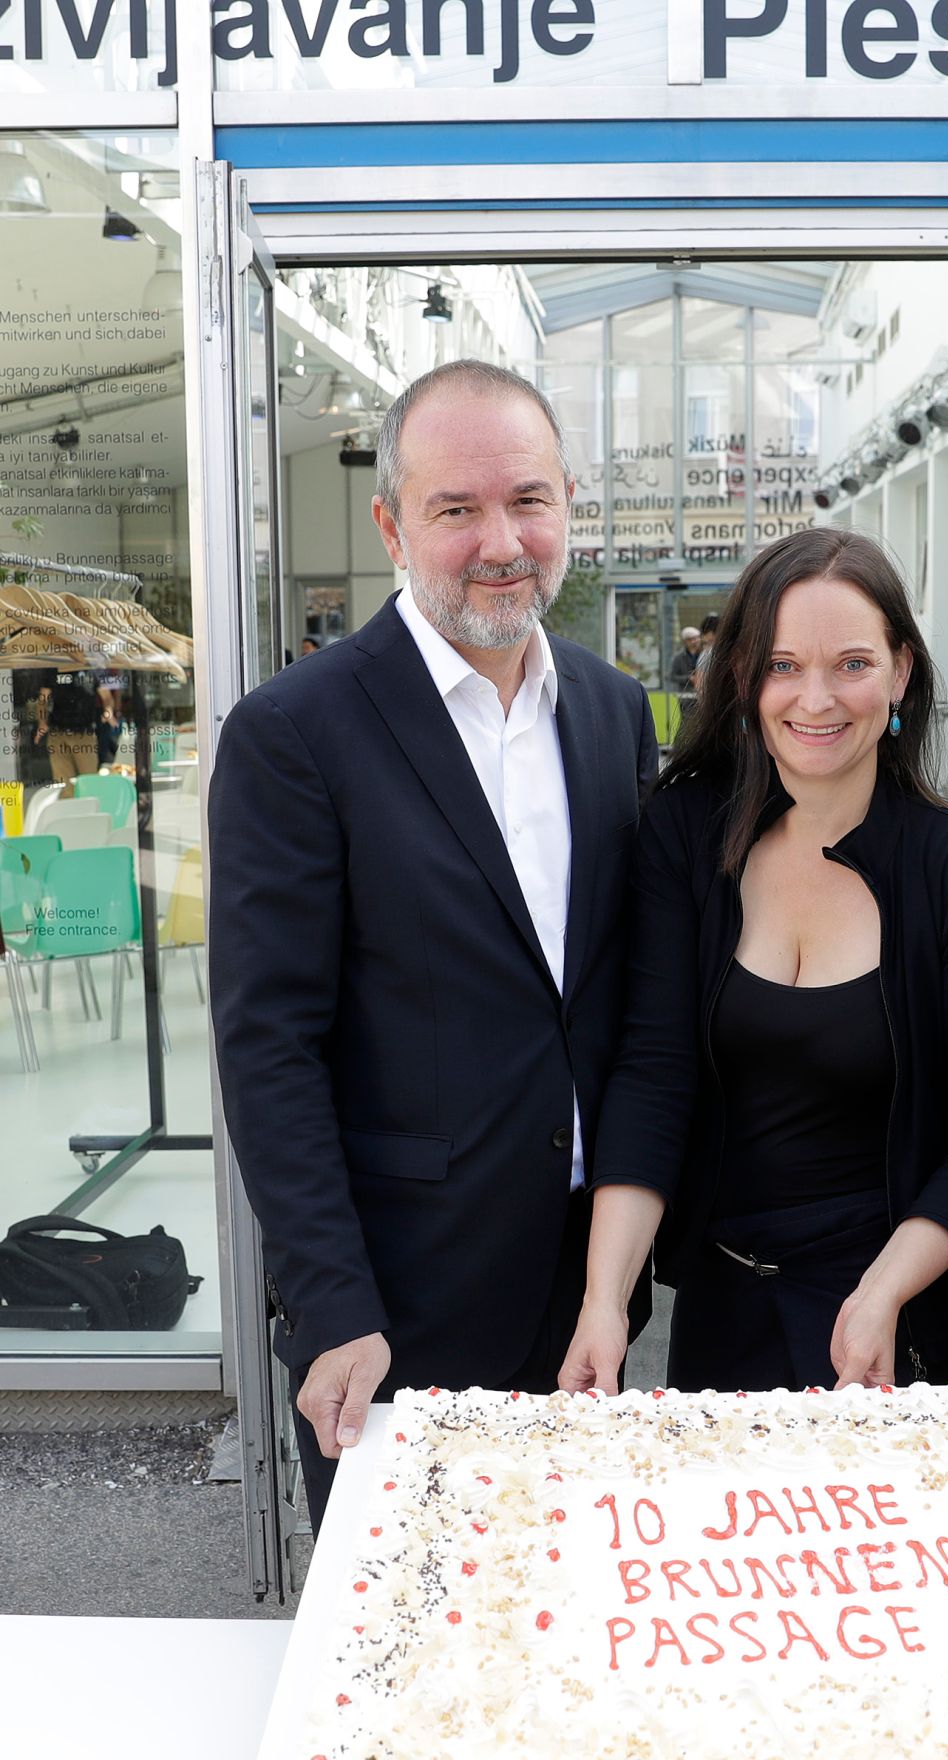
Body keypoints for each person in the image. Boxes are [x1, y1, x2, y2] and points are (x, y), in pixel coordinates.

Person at [208, 359, 656, 1534]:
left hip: (586, 1298)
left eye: (528, 499)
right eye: (456, 508)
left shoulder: (611, 712)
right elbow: (269, 1045)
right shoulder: (295, 734)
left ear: (569, 503)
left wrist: (616, 1277)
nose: (501, 542)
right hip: (396, 1313)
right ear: (392, 526)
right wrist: (332, 1302)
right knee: (411, 1627)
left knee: (571, 1604)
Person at [558, 527, 948, 1398]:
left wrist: (883, 1293)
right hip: (721, 1314)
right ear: (744, 677)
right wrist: (604, 1302)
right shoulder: (684, 836)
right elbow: (654, 1075)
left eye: (852, 664)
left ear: (900, 673)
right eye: (783, 665)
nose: (816, 699)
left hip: (895, 1320)